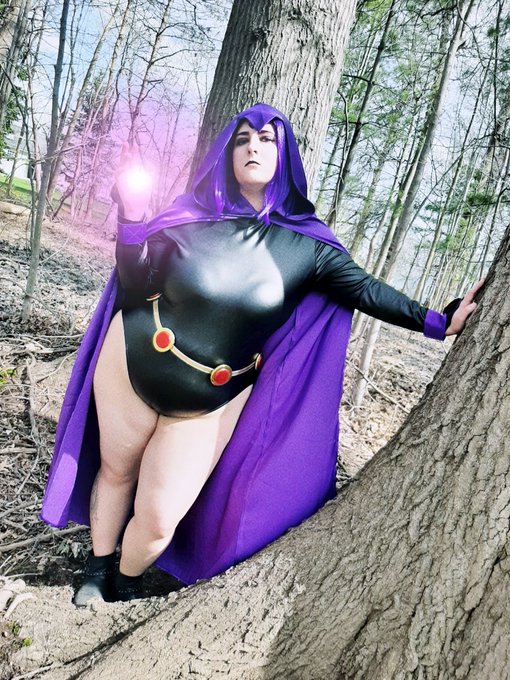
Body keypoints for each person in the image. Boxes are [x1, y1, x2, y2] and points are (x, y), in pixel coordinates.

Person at [40, 103, 483, 606]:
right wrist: (134, 217)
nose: (253, 146)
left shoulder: (309, 248)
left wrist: (437, 322)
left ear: (284, 153)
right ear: (228, 153)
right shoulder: (187, 218)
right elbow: (136, 282)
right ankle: (98, 568)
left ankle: (127, 579)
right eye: (242, 138)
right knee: (115, 471)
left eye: (267, 139)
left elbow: (366, 291)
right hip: (132, 360)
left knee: (161, 516)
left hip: (212, 396)